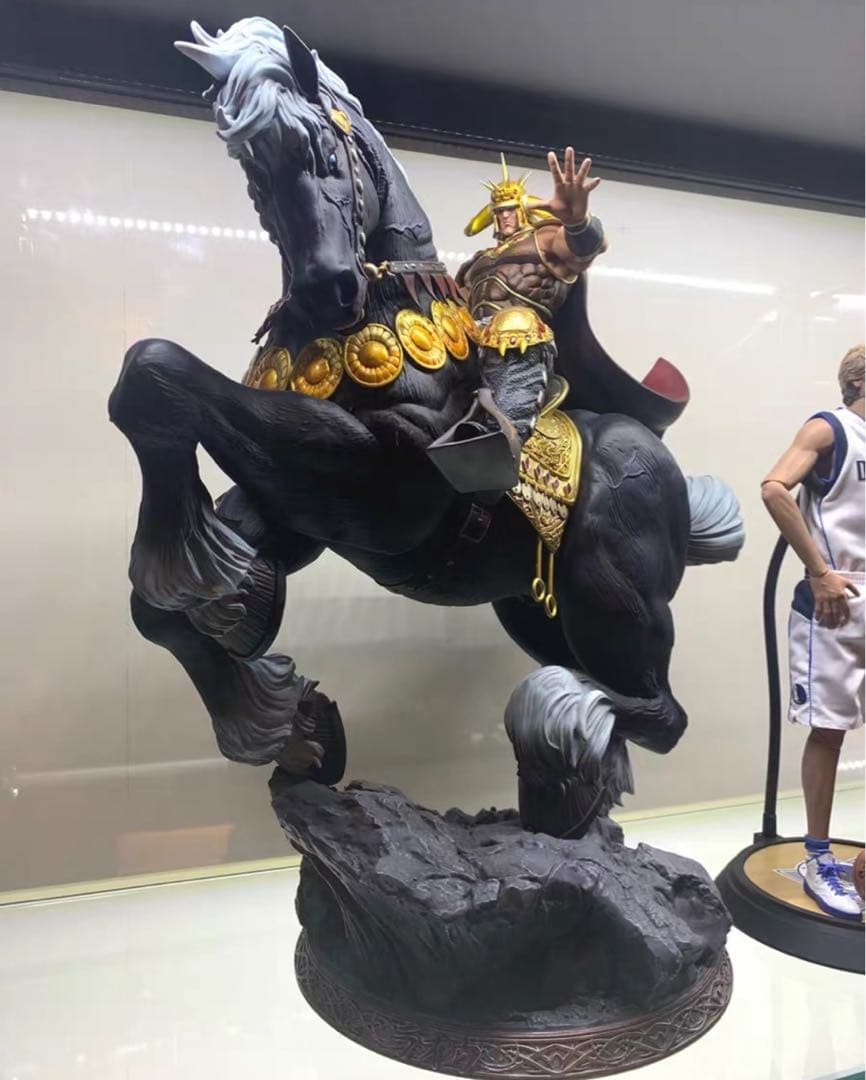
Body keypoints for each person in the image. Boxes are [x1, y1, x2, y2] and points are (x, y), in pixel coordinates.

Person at [428, 150, 607, 495]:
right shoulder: (477, 262)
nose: (505, 217)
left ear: (524, 209)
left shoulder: (545, 239)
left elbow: (584, 249)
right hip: (474, 341)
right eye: (499, 212)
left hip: (518, 339)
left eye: (511, 209)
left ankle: (500, 440)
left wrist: (577, 222)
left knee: (514, 322)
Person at [761, 343, 865, 919]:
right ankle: (817, 856)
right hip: (835, 601)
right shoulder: (831, 428)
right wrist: (819, 570)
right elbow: (775, 488)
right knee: (829, 731)